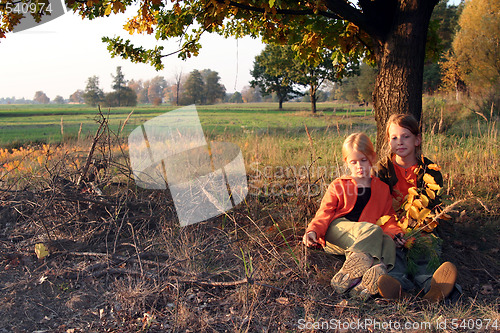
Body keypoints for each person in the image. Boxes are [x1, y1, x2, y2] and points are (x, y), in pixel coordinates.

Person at [303, 133, 404, 298]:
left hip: (366, 238)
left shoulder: (382, 189)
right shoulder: (339, 185)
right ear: (346, 162)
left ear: (372, 157)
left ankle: (368, 279)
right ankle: (357, 268)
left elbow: (388, 218)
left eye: (363, 160)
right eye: (353, 162)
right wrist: (313, 230)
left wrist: (396, 233)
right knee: (372, 230)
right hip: (337, 232)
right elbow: (324, 212)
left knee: (386, 240)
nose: (359, 166)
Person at [376, 113, 460, 303]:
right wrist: (393, 231)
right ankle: (396, 287)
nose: (400, 142)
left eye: (406, 136)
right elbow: (381, 206)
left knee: (424, 251)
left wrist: (415, 231)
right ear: (388, 141)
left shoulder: (430, 170)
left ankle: (434, 287)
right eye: (394, 138)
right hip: (392, 228)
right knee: (393, 255)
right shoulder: (382, 170)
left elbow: (431, 207)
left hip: (422, 227)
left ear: (417, 140)